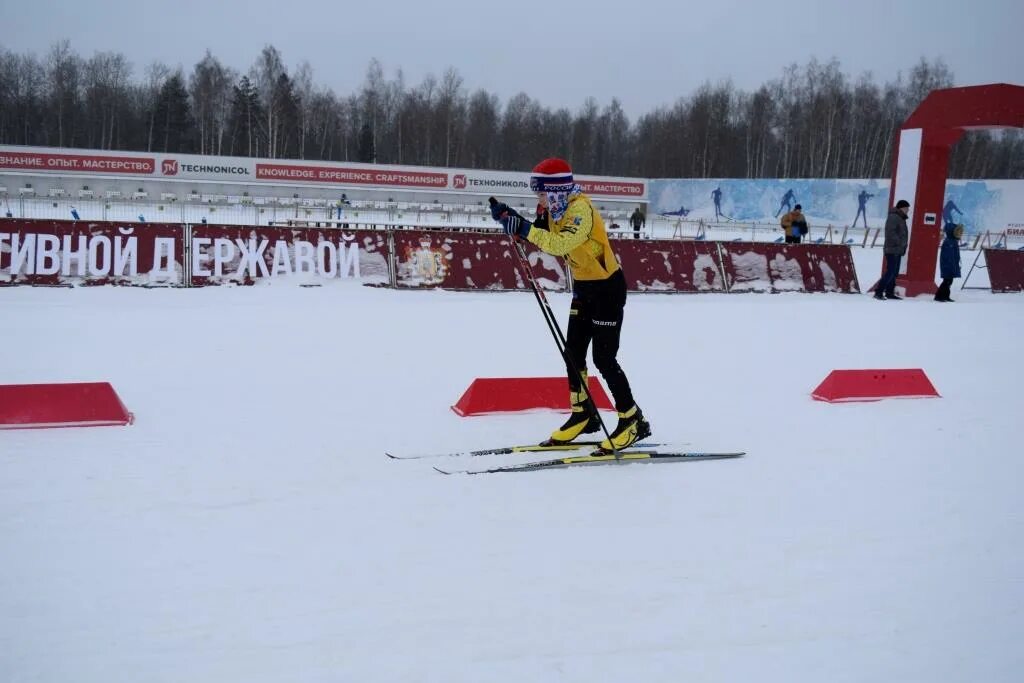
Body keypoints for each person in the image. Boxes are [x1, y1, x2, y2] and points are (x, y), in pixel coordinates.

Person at [490, 157, 651, 452]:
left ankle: (632, 419)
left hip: (607, 289)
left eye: (541, 193)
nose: (539, 199)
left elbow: (559, 244)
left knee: (604, 358)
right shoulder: (554, 208)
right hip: (584, 288)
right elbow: (540, 232)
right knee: (573, 353)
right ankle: (583, 413)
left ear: (555, 189)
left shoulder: (580, 210)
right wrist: (509, 217)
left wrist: (523, 228)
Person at [874, 199, 910, 300]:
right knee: (890, 271)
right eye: (906, 208)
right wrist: (899, 242)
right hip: (892, 249)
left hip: (897, 249)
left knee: (894, 272)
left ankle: (889, 292)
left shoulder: (899, 218)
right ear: (901, 208)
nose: (907, 210)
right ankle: (879, 292)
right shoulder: (894, 217)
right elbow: (890, 233)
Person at [935, 223, 963, 302]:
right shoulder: (949, 242)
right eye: (957, 231)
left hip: (951, 265)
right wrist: (952, 266)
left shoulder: (952, 241)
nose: (959, 234)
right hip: (948, 266)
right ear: (952, 232)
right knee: (947, 281)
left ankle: (945, 296)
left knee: (949, 281)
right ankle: (939, 296)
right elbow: (949, 256)